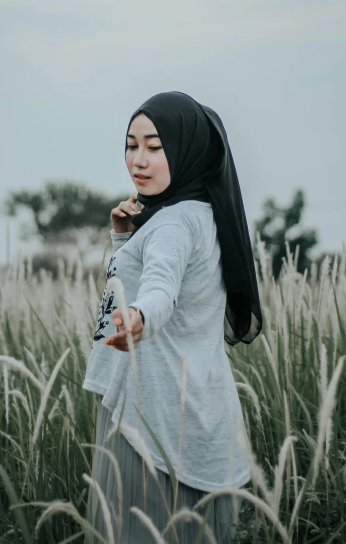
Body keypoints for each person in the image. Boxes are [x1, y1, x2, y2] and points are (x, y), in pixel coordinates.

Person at [82, 91, 262, 544]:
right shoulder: (201, 213)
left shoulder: (171, 225)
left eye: (155, 147)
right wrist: (124, 240)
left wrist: (142, 314)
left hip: (149, 408)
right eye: (131, 144)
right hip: (194, 402)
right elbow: (145, 285)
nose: (138, 160)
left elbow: (159, 289)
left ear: (185, 151)